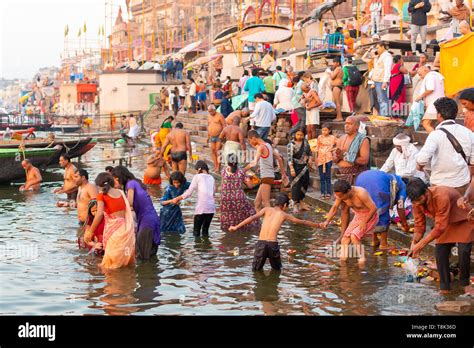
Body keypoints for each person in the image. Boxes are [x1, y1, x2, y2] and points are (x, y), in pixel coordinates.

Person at [407, 178, 473, 294]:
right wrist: (414, 244)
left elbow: (439, 228)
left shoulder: (441, 195)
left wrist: (421, 245)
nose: (417, 203)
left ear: (426, 191)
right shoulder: (416, 202)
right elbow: (419, 225)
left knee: (464, 251)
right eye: (415, 201)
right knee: (440, 251)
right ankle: (445, 287)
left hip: (463, 220)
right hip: (445, 223)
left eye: (419, 199)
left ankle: (465, 284)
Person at [229, 193, 320, 271]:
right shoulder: (284, 215)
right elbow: (302, 222)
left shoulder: (266, 209)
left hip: (261, 244)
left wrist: (236, 227)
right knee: (277, 270)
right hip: (272, 244)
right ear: (284, 205)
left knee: (256, 270)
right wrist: (319, 225)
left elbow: (252, 218)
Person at [416, 97, 474, 194]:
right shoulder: (468, 133)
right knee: (459, 209)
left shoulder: (435, 134)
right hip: (462, 184)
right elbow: (472, 162)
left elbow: (422, 159)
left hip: (440, 186)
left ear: (439, 115)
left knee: (441, 209)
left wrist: (419, 166)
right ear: (455, 114)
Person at [321, 180, 379, 263]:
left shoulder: (361, 193)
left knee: (354, 236)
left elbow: (373, 208)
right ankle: (343, 260)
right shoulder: (339, 195)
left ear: (348, 191)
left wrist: (364, 221)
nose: (340, 199)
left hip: (370, 216)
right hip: (358, 215)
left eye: (341, 197)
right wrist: (327, 221)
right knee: (344, 239)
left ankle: (362, 259)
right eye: (338, 196)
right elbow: (334, 208)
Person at [88, 172, 135, 270]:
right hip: (126, 229)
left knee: (110, 267)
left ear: (99, 185)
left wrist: (90, 231)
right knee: (125, 260)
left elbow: (99, 214)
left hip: (115, 232)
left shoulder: (101, 196)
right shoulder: (120, 192)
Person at [112, 166, 160, 260]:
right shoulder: (136, 183)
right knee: (150, 255)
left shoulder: (130, 184)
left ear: (117, 178)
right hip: (152, 219)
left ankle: (144, 273)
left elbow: (129, 203)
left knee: (142, 256)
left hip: (147, 222)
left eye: (113, 180)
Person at [355, 170, 410, 249]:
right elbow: (400, 206)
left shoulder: (392, 178)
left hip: (361, 178)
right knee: (383, 211)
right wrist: (405, 224)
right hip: (378, 184)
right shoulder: (403, 186)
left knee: (370, 210)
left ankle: (374, 240)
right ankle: (383, 243)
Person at [245, 130, 288, 211]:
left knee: (266, 203)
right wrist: (283, 174)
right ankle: (259, 223)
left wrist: (242, 170)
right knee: (257, 203)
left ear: (254, 138)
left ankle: (271, 222)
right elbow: (279, 158)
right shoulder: (268, 145)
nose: (250, 143)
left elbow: (254, 163)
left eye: (250, 141)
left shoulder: (261, 147)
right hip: (267, 177)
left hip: (266, 177)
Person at [173, 161, 216, 237]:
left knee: (196, 232)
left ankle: (198, 248)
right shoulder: (211, 177)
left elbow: (189, 193)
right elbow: (213, 193)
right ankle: (207, 248)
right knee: (205, 232)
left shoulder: (197, 177)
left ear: (199, 169)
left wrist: (177, 198)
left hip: (201, 208)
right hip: (211, 208)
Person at [220, 154, 260, 231]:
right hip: (238, 198)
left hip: (225, 199)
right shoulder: (241, 172)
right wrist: (250, 178)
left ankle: (228, 232)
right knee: (251, 213)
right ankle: (243, 231)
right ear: (237, 162)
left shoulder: (223, 171)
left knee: (228, 217)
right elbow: (250, 186)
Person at [332, 116, 370, 184]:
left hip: (357, 176)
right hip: (342, 175)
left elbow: (364, 160)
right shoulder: (341, 139)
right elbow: (335, 158)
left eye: (350, 124)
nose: (346, 126)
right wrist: (336, 156)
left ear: (357, 127)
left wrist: (344, 156)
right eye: (346, 123)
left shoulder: (363, 139)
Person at [287, 128, 312, 213]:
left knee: (305, 183)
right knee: (296, 186)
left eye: (301, 135)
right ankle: (295, 204)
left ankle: (301, 202)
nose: (299, 136)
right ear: (294, 134)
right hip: (294, 167)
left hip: (304, 167)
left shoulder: (305, 142)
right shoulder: (291, 144)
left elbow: (309, 152)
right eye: (298, 134)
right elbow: (289, 158)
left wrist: (310, 159)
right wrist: (291, 169)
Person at [415, 66, 446, 133]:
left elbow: (431, 89)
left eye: (420, 74)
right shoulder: (436, 76)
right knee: (431, 125)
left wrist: (420, 97)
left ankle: (436, 140)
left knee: (426, 123)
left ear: (425, 70)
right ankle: (434, 141)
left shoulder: (430, 76)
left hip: (434, 104)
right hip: (439, 103)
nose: (420, 77)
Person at [314, 124, 337, 199]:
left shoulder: (333, 137)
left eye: (325, 130)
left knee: (328, 176)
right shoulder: (319, 137)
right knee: (322, 177)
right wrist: (316, 158)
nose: (324, 132)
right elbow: (317, 148)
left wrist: (332, 150)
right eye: (323, 130)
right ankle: (323, 192)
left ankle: (329, 193)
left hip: (328, 158)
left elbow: (338, 145)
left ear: (329, 131)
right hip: (320, 158)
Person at [372, 43, 393, 117]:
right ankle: (383, 115)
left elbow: (388, 69)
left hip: (382, 81)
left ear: (383, 47)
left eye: (378, 48)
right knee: (380, 99)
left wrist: (385, 81)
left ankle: (385, 115)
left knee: (383, 99)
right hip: (377, 81)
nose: (377, 50)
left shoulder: (387, 56)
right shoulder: (379, 56)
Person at [207, 105, 226, 172]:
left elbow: (224, 126)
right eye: (209, 111)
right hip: (211, 137)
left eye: (211, 111)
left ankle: (218, 167)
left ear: (214, 110)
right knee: (213, 151)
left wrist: (223, 136)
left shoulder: (220, 115)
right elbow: (209, 126)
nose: (210, 113)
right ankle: (215, 166)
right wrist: (208, 136)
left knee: (218, 151)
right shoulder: (209, 116)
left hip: (219, 136)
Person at [329, 57, 344, 121]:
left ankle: (339, 117)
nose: (333, 64)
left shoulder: (338, 69)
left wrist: (329, 72)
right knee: (337, 103)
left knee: (337, 103)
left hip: (336, 87)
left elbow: (332, 77)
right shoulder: (340, 69)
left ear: (338, 63)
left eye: (334, 62)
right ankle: (338, 116)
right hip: (337, 86)